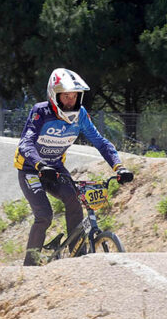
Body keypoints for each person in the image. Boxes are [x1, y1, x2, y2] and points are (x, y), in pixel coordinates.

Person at [13, 68, 133, 265]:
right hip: (30, 169)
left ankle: (76, 260)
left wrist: (119, 167)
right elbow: (25, 144)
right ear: (54, 95)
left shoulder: (81, 115)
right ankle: (30, 266)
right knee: (44, 216)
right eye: (66, 96)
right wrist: (40, 164)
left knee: (74, 200)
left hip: (56, 168)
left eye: (74, 96)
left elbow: (101, 143)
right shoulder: (41, 112)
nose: (70, 101)